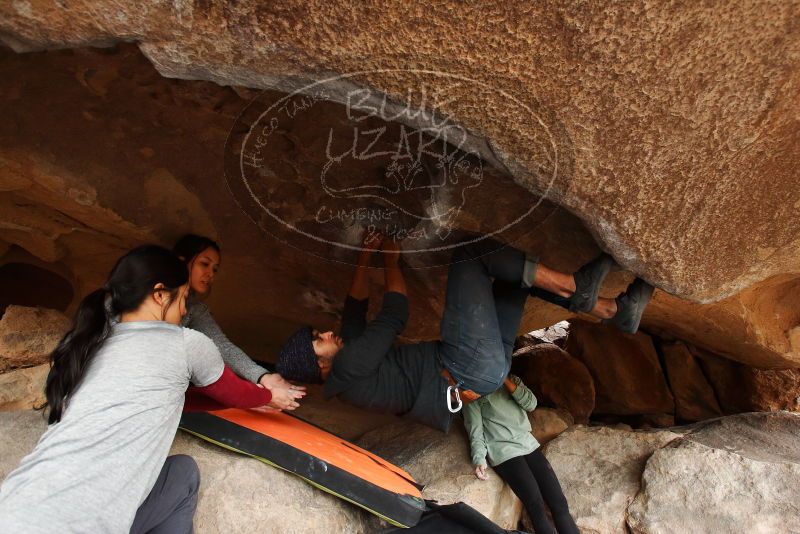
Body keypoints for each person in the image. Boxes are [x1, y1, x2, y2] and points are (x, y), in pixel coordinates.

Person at [0, 245, 276, 533]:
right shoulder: (186, 343)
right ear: (159, 294)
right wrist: (268, 395)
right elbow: (232, 393)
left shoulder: (93, 346)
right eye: (182, 298)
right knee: (183, 476)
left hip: (15, 505)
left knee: (180, 472)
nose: (184, 309)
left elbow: (165, 399)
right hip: (82, 524)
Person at [276, 233, 654, 432]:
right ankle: (578, 286)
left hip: (484, 370)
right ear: (320, 368)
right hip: (465, 365)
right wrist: (392, 256)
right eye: (318, 340)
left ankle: (612, 310)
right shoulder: (351, 365)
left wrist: (364, 255)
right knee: (471, 256)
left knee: (511, 284)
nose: (326, 333)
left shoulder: (349, 372)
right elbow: (395, 312)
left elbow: (355, 307)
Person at [172, 234, 305, 411]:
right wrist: (255, 396)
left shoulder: (195, 308)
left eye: (215, 269)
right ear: (180, 261)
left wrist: (262, 378)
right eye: (204, 263)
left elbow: (222, 345)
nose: (210, 274)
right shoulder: (152, 307)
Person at [464, 375, 579, 534]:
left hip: (527, 444)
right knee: (536, 505)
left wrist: (504, 379)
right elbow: (475, 431)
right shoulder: (472, 393)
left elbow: (531, 404)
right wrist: (479, 458)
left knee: (559, 502)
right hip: (504, 451)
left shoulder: (513, 381)